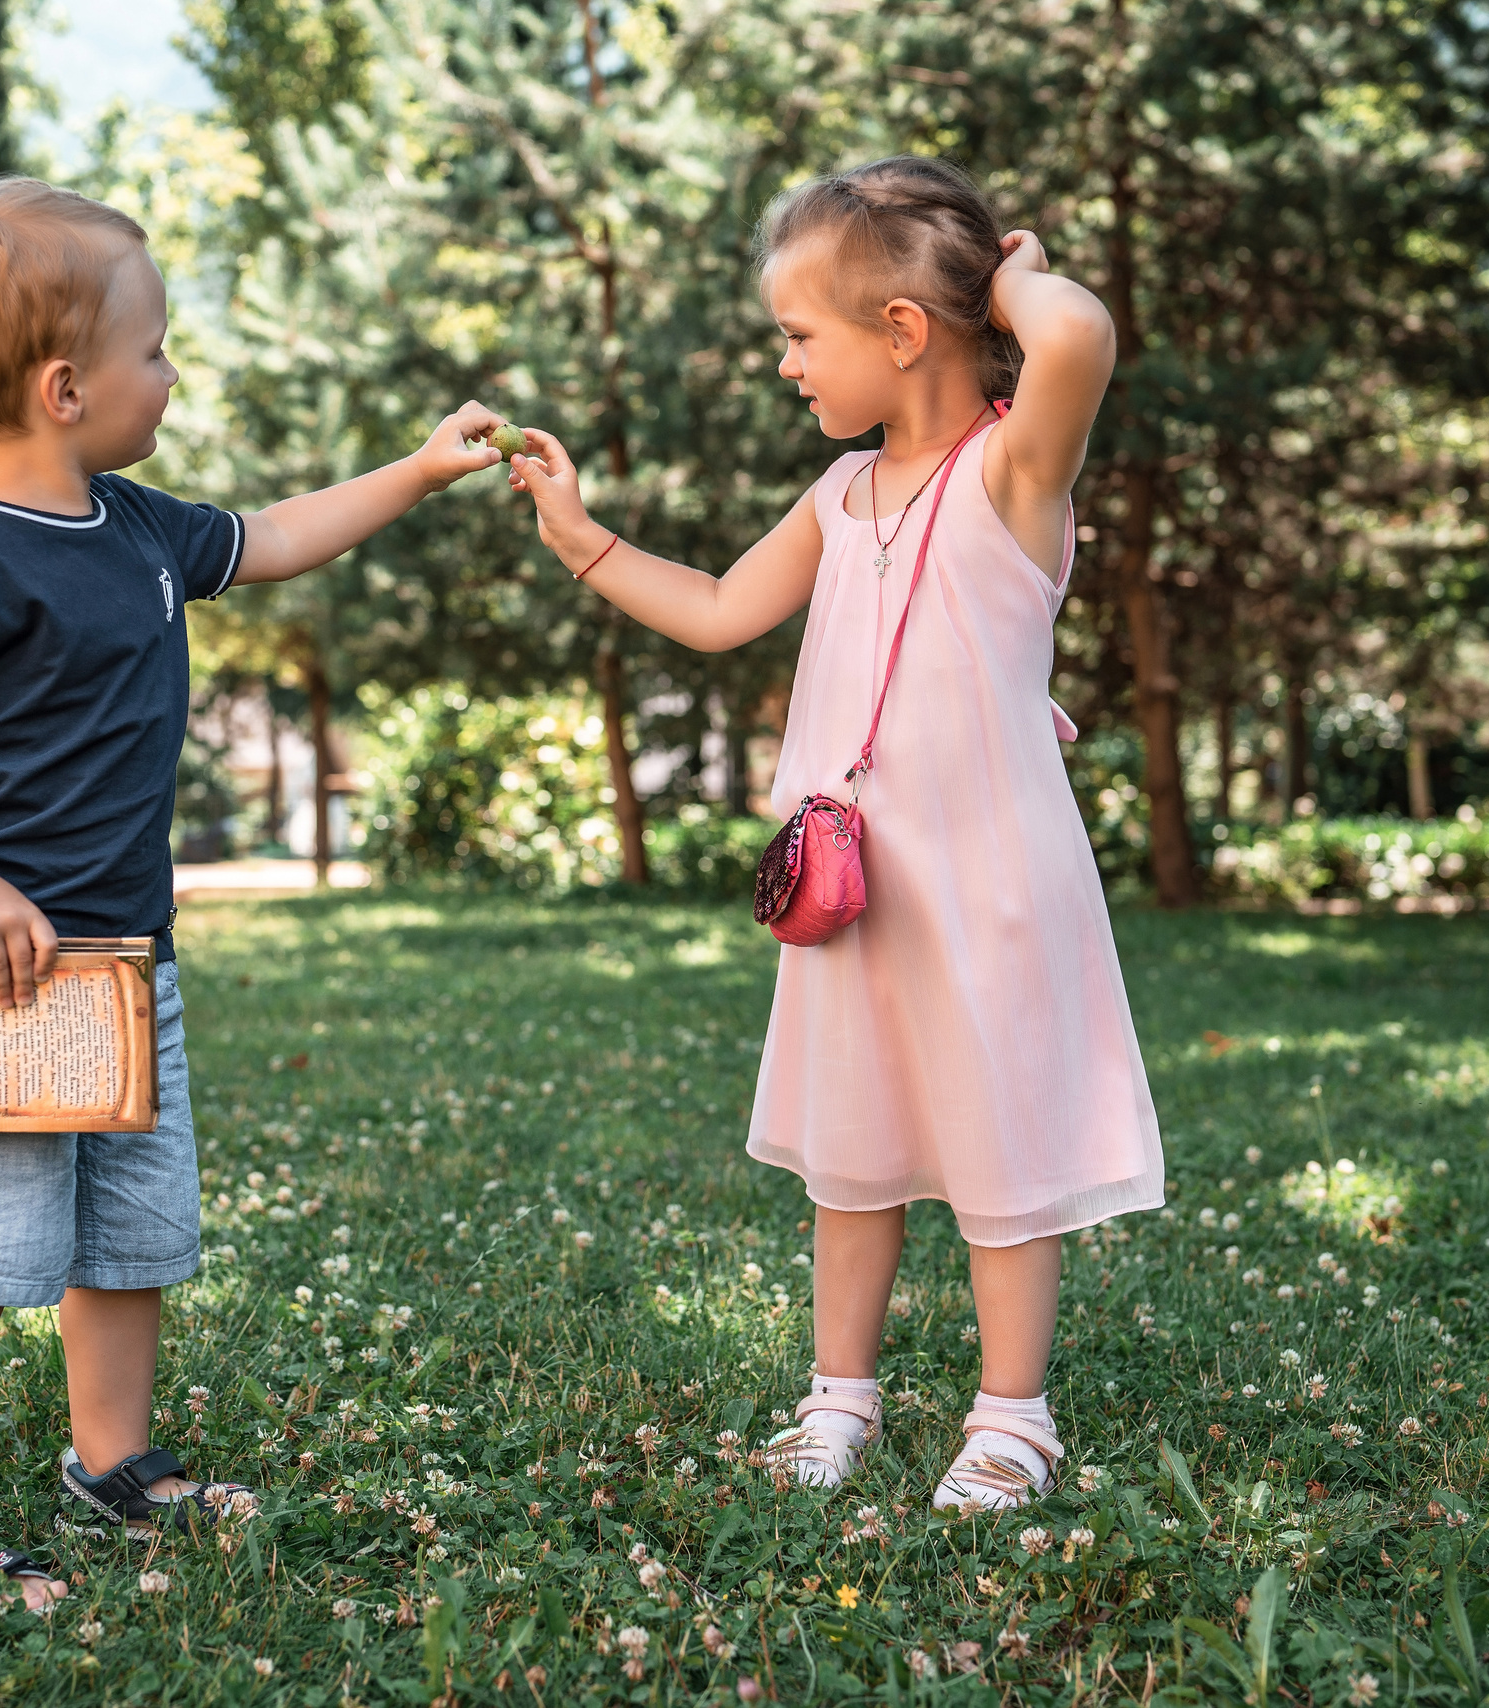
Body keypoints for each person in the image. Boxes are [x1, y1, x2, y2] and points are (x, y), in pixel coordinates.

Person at [0, 177, 510, 1609]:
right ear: (69, 385)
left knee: (128, 1237)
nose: (173, 374)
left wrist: (415, 470)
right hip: (1, 980)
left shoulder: (139, 527)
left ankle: (114, 1467)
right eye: (156, 352)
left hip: (132, 968)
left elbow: (272, 536)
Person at [501, 156, 1164, 1512]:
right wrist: (579, 537)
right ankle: (838, 1399)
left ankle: (1013, 1419)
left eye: (801, 336)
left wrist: (1021, 283)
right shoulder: (835, 495)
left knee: (1003, 1150)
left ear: (903, 332)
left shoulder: (1012, 473)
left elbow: (1080, 340)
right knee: (852, 1152)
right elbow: (716, 612)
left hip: (988, 882)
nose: (788, 365)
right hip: (854, 885)